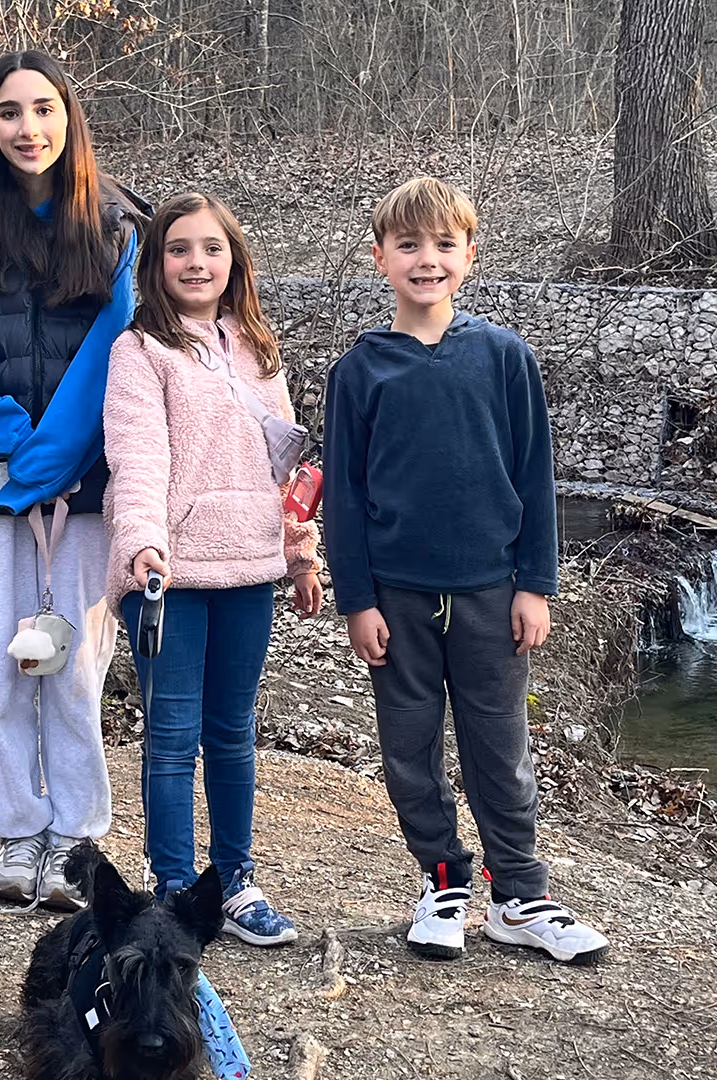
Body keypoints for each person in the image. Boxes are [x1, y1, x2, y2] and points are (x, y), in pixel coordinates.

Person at [322, 176, 610, 964]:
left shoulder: (504, 357)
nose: (427, 260)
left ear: (470, 256)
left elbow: (533, 474)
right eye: (409, 245)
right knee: (409, 748)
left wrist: (536, 583)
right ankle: (444, 877)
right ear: (380, 258)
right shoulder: (360, 372)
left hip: (491, 594)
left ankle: (520, 895)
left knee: (499, 747)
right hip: (398, 600)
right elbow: (343, 498)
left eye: (444, 245)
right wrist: (358, 600)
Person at [0, 50, 144, 911]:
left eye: (43, 110)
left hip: (83, 478)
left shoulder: (116, 225)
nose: (28, 128)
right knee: (5, 663)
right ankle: (14, 833)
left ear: (69, 118)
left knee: (76, 663)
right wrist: (11, 443)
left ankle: (76, 838)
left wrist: (54, 454)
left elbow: (119, 345)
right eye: (10, 113)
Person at [103, 192, 323, 947]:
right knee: (171, 734)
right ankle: (171, 889)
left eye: (211, 249)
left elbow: (283, 467)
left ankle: (234, 880)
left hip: (251, 567)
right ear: (156, 264)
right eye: (178, 249)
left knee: (232, 732)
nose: (196, 263)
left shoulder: (260, 349)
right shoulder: (139, 351)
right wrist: (141, 540)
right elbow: (136, 456)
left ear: (235, 261)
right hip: (171, 573)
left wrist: (299, 555)